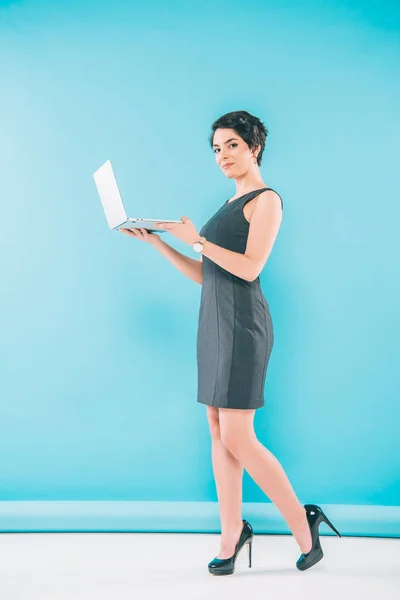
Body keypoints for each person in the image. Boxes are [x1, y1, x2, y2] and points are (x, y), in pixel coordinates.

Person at [120, 110, 341, 576]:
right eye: (216, 149)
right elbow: (210, 277)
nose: (223, 155)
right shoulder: (228, 202)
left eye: (232, 145)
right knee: (219, 433)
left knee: (239, 434)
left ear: (254, 146)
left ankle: (304, 524)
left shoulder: (267, 200)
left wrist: (196, 239)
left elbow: (250, 268)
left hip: (243, 326)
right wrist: (160, 244)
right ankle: (231, 533)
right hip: (214, 323)